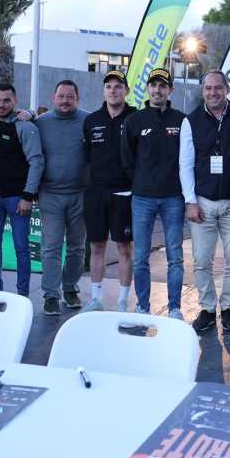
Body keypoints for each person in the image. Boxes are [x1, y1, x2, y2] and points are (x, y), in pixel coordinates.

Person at [179, 70, 230, 334]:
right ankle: (207, 309)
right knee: (201, 261)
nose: (213, 92)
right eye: (208, 88)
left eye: (218, 87)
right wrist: (190, 201)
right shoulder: (191, 121)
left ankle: (228, 309)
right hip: (203, 202)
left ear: (227, 89)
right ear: (203, 91)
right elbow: (185, 164)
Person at [122, 68, 187, 318]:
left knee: (175, 256)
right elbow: (127, 159)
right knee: (140, 257)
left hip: (173, 198)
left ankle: (175, 308)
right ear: (148, 88)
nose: (157, 90)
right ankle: (142, 306)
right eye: (153, 85)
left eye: (162, 86)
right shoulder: (134, 121)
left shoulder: (182, 120)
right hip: (142, 198)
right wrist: (141, 182)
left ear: (170, 90)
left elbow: (187, 158)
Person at [0, 82, 44, 296]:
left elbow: (37, 162)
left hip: (17, 198)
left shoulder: (26, 127)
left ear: (15, 101)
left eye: (6, 100)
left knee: (21, 248)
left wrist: (27, 196)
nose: (1, 104)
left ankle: (22, 295)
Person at [34, 80, 90, 317]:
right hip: (50, 195)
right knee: (52, 247)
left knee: (77, 247)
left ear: (77, 98)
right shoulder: (40, 123)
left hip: (81, 194)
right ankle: (50, 294)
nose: (65, 100)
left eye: (70, 96)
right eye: (61, 96)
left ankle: (69, 288)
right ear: (53, 97)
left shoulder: (88, 121)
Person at [83, 70, 136, 312]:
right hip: (96, 194)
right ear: (103, 91)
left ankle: (123, 301)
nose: (113, 90)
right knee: (96, 247)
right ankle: (96, 299)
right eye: (108, 86)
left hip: (124, 194)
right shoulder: (91, 120)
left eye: (118, 86)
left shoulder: (135, 118)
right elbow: (86, 157)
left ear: (126, 90)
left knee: (124, 248)